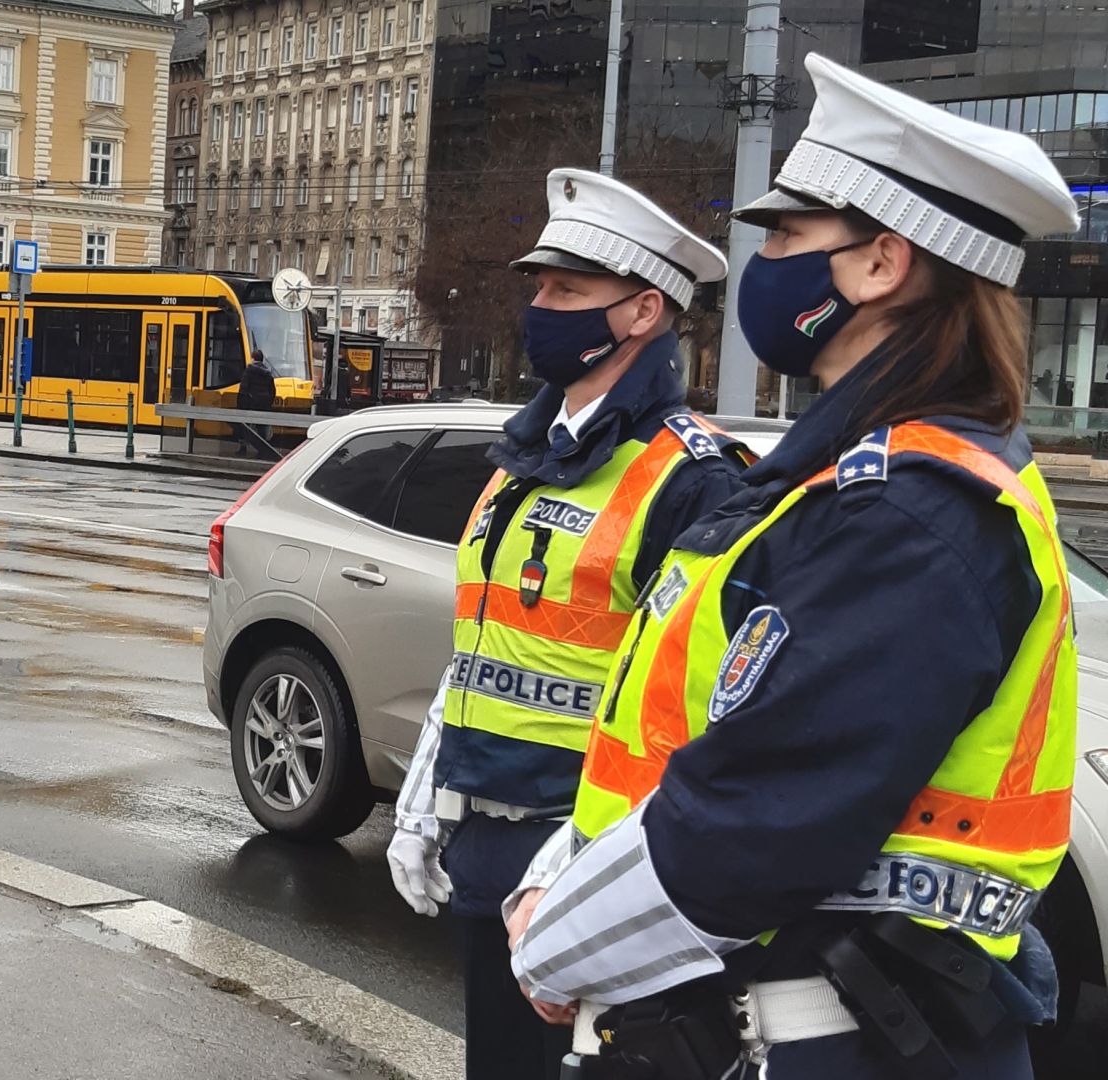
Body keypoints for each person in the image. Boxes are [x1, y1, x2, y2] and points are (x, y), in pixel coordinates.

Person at [508, 54, 1081, 1079]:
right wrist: (568, 871)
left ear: (878, 264)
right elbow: (697, 732)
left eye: (786, 235)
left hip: (840, 1034)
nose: (763, 263)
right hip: (772, 1018)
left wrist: (557, 946)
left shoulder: (912, 512)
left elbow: (758, 817)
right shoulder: (833, 478)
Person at [386, 168, 746, 1080]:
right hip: (485, 841)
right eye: (540, 287)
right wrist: (428, 796)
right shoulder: (522, 459)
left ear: (643, 313)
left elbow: (689, 710)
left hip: (591, 859)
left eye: (568, 291)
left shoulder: (694, 478)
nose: (540, 308)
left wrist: (572, 864)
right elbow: (480, 647)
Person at [236, 347, 276, 456]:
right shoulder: (268, 373)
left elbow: (243, 388)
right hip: (263, 403)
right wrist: (269, 402)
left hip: (250, 401)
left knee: (245, 426)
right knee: (261, 427)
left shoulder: (249, 370)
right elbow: (272, 391)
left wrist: (240, 403)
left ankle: (243, 448)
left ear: (253, 358)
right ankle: (261, 450)